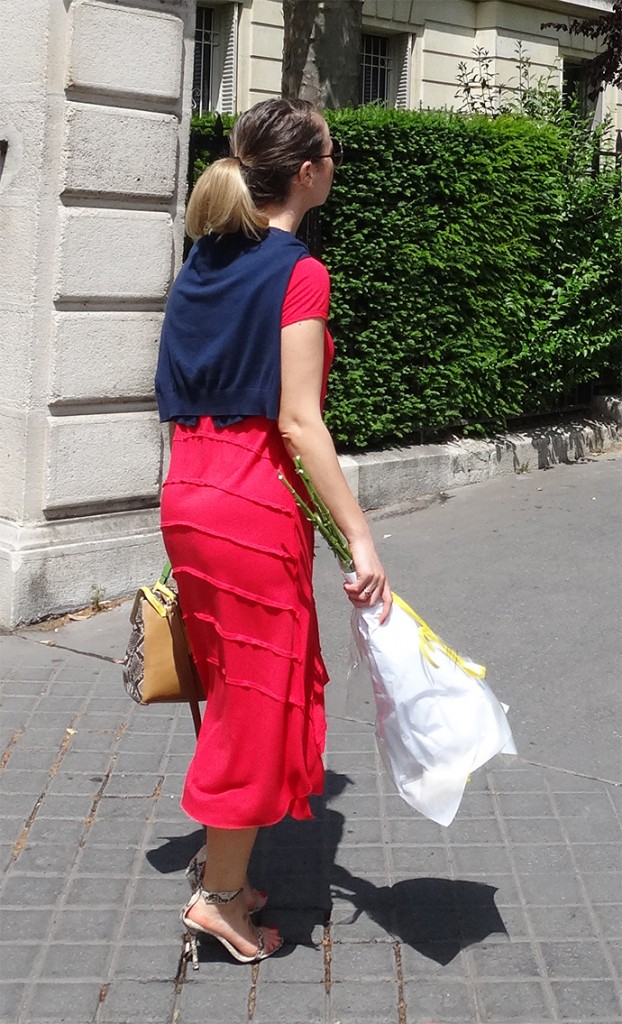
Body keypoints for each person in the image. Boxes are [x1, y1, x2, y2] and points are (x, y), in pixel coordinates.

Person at [155, 98, 391, 967]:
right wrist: (360, 537)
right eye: (332, 151)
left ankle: (226, 871)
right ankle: (219, 900)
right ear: (306, 172)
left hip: (189, 491)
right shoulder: (300, 271)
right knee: (256, 706)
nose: (336, 163)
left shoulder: (204, 258)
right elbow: (297, 421)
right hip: (250, 503)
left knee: (236, 690)